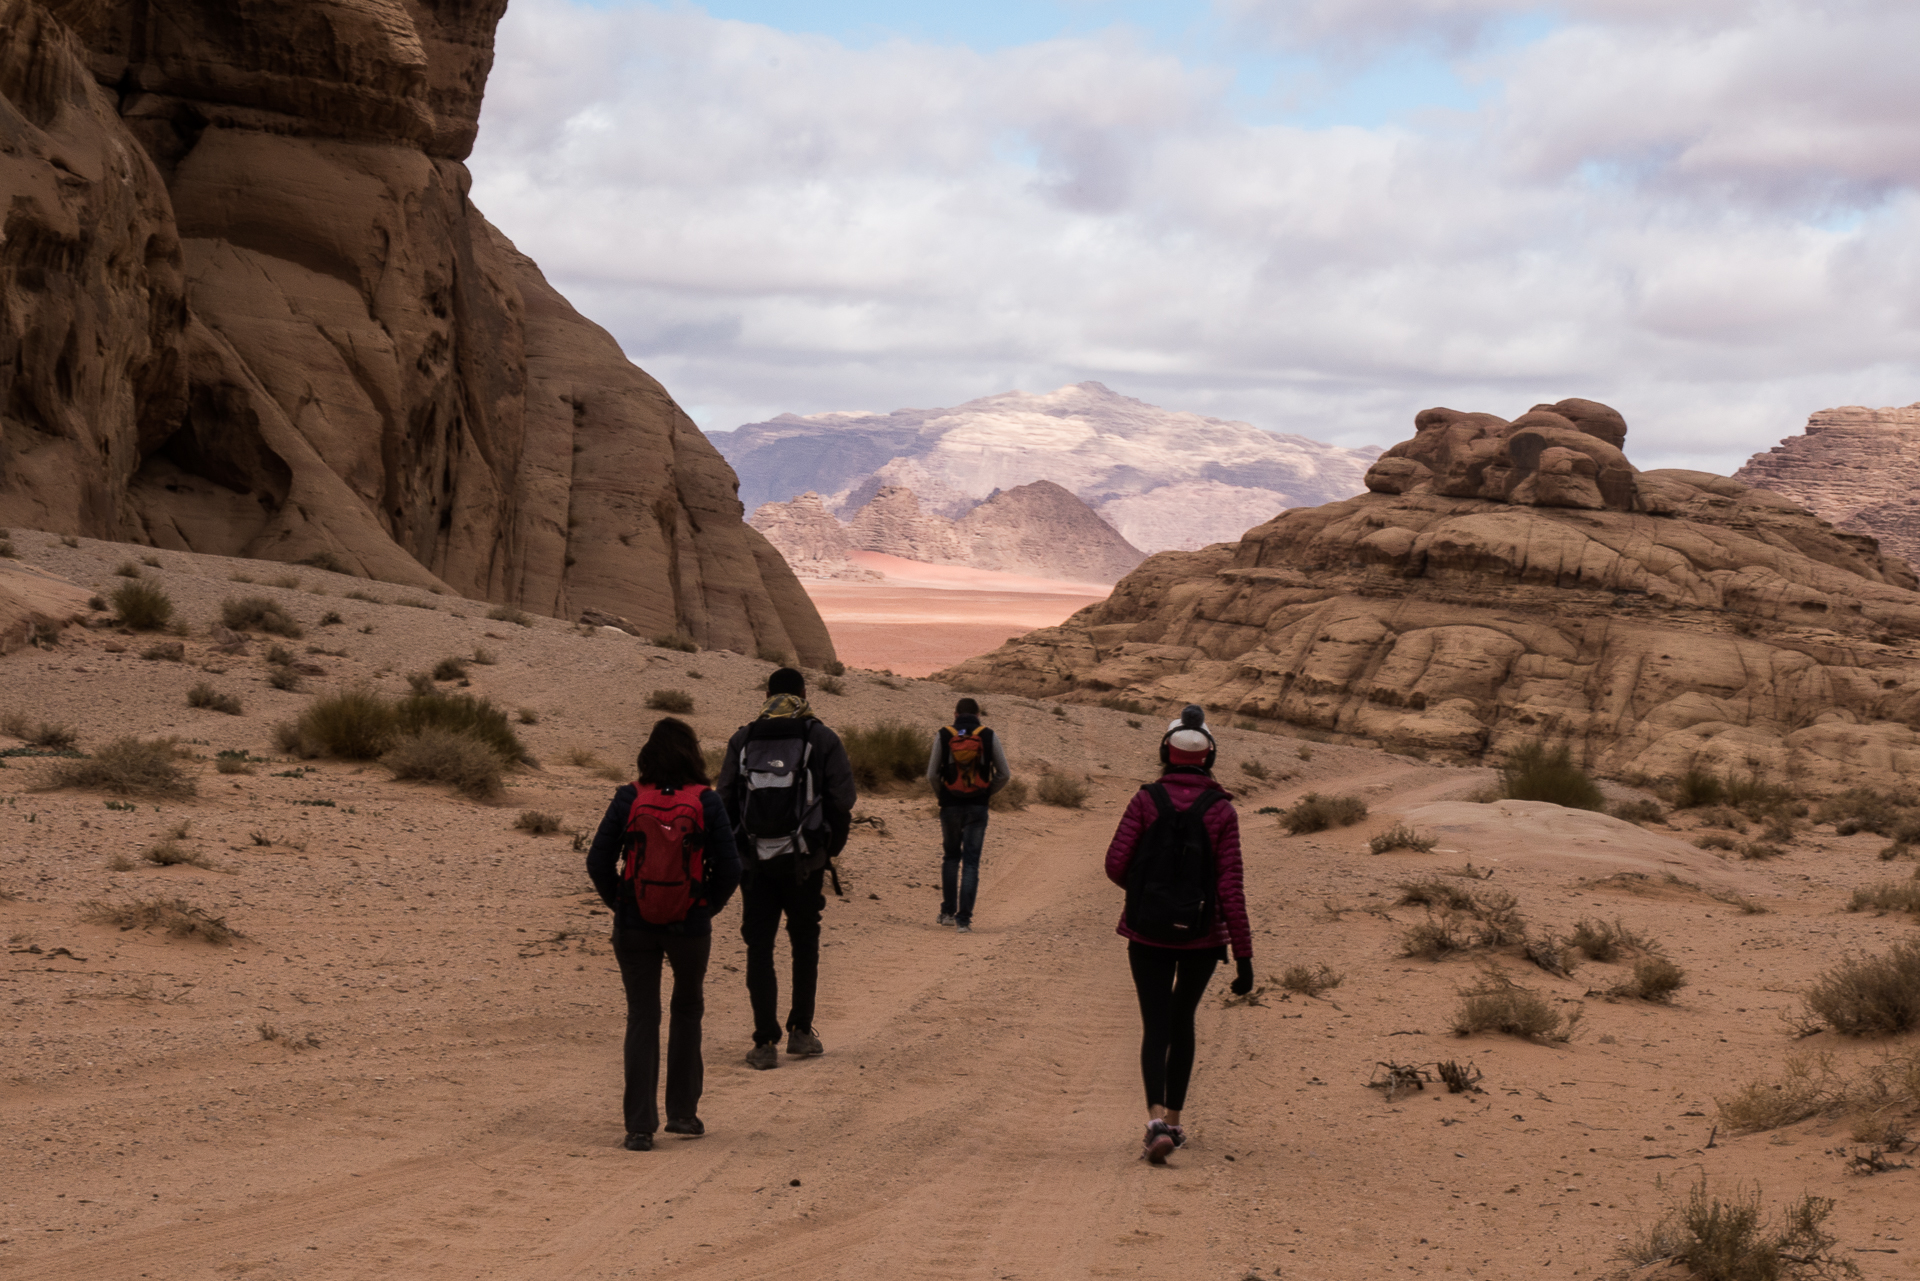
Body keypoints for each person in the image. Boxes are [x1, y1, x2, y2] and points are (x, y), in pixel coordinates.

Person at [1102, 704, 1253, 1164]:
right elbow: (1230, 885)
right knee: (1182, 1022)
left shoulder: (1145, 800)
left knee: (1155, 1024)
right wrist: (1244, 956)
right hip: (1202, 938)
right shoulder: (1222, 810)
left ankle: (1153, 1124)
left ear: (1164, 752)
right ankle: (1176, 1120)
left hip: (1146, 934)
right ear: (1209, 757)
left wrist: (1150, 895)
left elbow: (1115, 864)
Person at [585, 717, 741, 1152]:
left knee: (642, 1016)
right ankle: (683, 1115)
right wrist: (705, 906)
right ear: (692, 754)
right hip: (689, 925)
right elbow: (731, 868)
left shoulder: (628, 797)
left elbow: (598, 863)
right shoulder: (706, 801)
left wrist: (622, 904)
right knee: (687, 1010)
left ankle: (639, 1127)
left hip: (634, 925)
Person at [717, 667, 856, 1070]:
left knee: (759, 947)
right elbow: (843, 799)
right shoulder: (821, 737)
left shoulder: (743, 738)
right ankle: (800, 1033)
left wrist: (736, 853)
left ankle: (764, 1043)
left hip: (754, 862)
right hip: (804, 861)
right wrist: (827, 849)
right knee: (804, 943)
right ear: (803, 692)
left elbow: (724, 799)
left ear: (766, 695)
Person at [924, 696, 1011, 933]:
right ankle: (964, 920)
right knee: (971, 861)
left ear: (955, 714)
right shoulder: (988, 734)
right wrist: (986, 793)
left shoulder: (944, 733)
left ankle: (947, 913)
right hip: (978, 806)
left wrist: (942, 795)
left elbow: (931, 774)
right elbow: (1004, 773)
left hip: (950, 805)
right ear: (978, 714)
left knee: (951, 857)